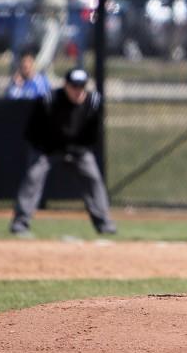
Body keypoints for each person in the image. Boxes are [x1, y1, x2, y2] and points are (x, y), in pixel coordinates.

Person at [9, 68, 117, 237]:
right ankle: (20, 223)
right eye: (74, 86)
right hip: (48, 149)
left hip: (77, 150)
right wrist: (45, 149)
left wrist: (77, 148)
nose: (78, 91)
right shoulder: (49, 100)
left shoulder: (93, 102)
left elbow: (93, 135)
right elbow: (32, 131)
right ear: (65, 85)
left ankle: (104, 224)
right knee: (33, 177)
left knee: (93, 178)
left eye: (81, 87)